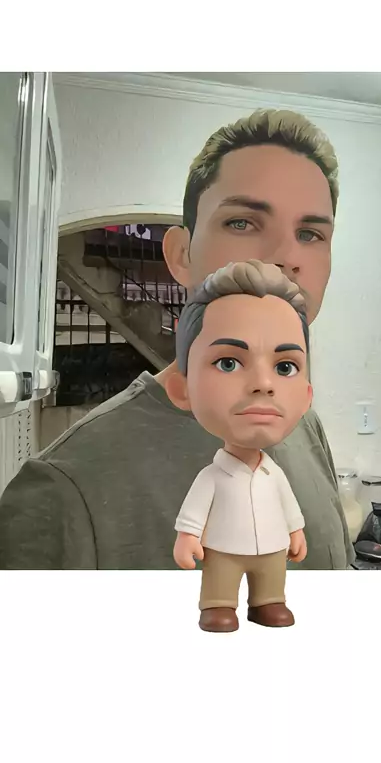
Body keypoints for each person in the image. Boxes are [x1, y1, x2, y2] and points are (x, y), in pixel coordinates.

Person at [0, 108, 353, 570]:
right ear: (181, 255)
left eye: (310, 233)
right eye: (243, 222)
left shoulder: (305, 425)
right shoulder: (61, 490)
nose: (286, 256)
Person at [170, 260, 312, 632]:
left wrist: (295, 531)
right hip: (223, 548)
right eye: (229, 363)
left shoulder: (274, 473)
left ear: (307, 396)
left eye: (285, 367)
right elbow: (195, 511)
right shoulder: (213, 476)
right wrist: (188, 536)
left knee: (272, 583)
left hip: (273, 548)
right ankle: (218, 604)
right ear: (182, 389)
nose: (263, 384)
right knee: (220, 580)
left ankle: (268, 601)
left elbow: (288, 505)